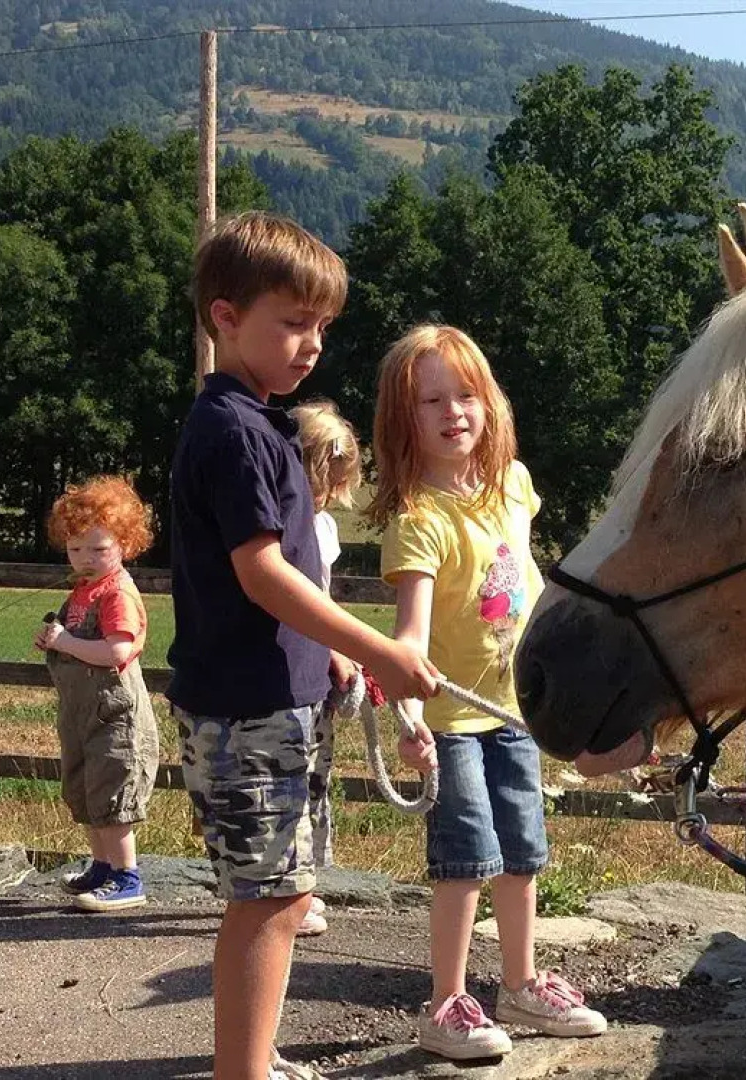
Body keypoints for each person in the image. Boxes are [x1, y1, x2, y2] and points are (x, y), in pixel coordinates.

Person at [168, 210, 440, 1080]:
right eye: (292, 322)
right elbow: (264, 574)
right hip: (247, 710)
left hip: (280, 701)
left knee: (285, 896)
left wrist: (329, 655)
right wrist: (382, 649)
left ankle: (253, 1058)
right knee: (267, 901)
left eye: (322, 326)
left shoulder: (264, 423)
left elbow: (290, 579)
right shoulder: (237, 432)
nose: (312, 343)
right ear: (224, 316)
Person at [370, 325, 608, 1060]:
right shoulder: (417, 522)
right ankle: (445, 1002)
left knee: (523, 850)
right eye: (431, 400)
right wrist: (407, 713)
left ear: (489, 401)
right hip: (450, 719)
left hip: (515, 713)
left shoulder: (513, 486)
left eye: (466, 394)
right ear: (403, 421)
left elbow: (528, 582)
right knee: (465, 854)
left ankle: (521, 981)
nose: (454, 412)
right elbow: (409, 637)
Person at [34, 475, 159, 913]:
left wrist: (65, 643)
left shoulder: (117, 593)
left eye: (98, 549)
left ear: (125, 544)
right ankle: (102, 866)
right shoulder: (83, 590)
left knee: (112, 789)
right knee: (86, 786)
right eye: (75, 549)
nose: (85, 559)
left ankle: (127, 876)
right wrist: (54, 639)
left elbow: (116, 651)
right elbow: (75, 638)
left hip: (114, 713)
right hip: (81, 710)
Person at [287, 399, 363, 938]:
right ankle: (290, 886)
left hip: (320, 666)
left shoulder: (324, 526)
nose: (328, 495)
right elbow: (302, 598)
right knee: (288, 779)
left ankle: (306, 881)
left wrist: (342, 647)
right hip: (296, 662)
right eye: (323, 480)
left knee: (316, 777)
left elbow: (327, 596)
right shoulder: (285, 526)